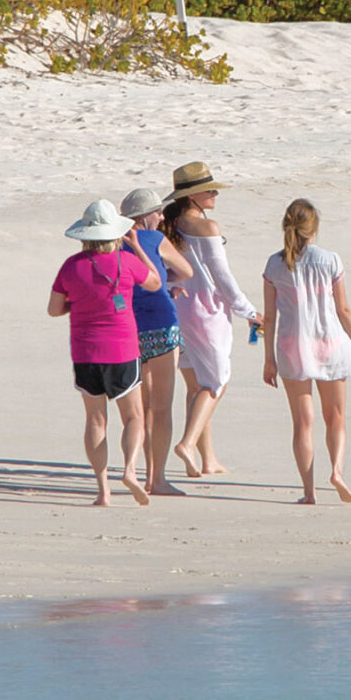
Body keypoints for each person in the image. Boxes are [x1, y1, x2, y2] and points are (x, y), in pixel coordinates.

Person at [48, 199, 160, 507]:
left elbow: (53, 309)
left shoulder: (71, 266)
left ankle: (103, 490)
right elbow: (155, 282)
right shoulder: (127, 262)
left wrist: (79, 304)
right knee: (134, 416)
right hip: (123, 349)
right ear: (116, 233)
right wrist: (137, 247)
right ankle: (130, 471)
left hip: (85, 352)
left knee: (96, 420)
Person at [260, 197, 351, 504]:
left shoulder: (273, 264)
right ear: (313, 228)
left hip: (293, 347)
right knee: (336, 417)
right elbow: (343, 308)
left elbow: (269, 317)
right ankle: (336, 472)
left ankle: (309, 492)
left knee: (302, 423)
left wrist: (268, 359)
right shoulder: (330, 260)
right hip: (330, 343)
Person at [162, 161, 261, 477]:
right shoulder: (207, 228)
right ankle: (187, 444)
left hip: (179, 309)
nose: (216, 193)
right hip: (207, 312)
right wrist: (249, 311)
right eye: (209, 189)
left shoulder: (168, 223)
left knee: (196, 386)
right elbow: (223, 278)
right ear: (192, 196)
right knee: (217, 383)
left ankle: (207, 460)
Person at [118, 187, 196, 496]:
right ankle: (157, 478)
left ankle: (135, 470)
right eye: (158, 212)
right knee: (162, 409)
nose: (162, 217)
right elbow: (186, 270)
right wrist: (166, 284)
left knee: (142, 408)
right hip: (161, 326)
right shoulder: (154, 240)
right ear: (144, 217)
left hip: (128, 329)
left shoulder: (112, 245)